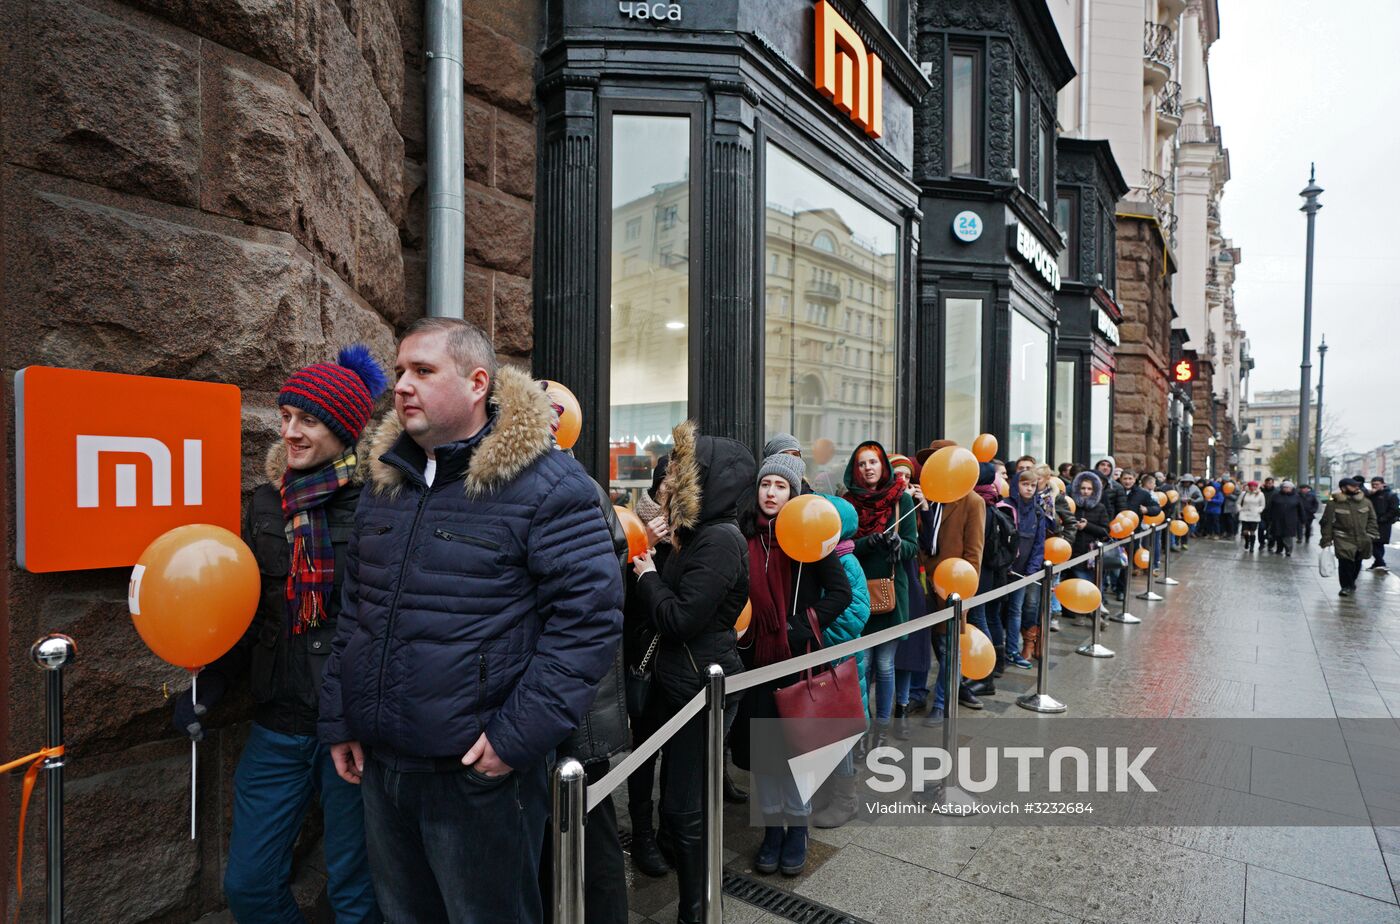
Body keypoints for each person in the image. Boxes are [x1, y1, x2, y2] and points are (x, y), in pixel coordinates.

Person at [318, 319, 623, 924]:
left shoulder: (547, 483)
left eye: (423, 371)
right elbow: (357, 609)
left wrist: (513, 739)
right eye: (401, 370)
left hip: (477, 775)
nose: (402, 385)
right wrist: (341, 715)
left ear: (477, 382)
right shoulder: (387, 480)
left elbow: (588, 621)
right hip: (383, 765)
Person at [173, 348, 385, 922]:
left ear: (344, 429)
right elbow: (250, 607)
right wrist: (209, 686)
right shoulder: (267, 503)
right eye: (285, 416)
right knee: (248, 886)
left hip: (354, 728)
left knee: (355, 893)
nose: (290, 432)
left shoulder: (381, 503)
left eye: (307, 420)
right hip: (277, 724)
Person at [632, 420, 751, 922]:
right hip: (676, 681)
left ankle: (696, 911)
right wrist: (654, 551)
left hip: (700, 688)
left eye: (686, 467)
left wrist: (649, 574)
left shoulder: (721, 540)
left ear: (712, 480)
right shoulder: (694, 532)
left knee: (686, 809)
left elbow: (681, 618)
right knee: (677, 806)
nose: (673, 474)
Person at [735, 454, 851, 875]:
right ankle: (771, 829)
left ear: (794, 492)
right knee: (766, 752)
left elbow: (840, 593)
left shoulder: (809, 535)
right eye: (766, 485)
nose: (771, 493)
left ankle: (796, 827)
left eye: (780, 487)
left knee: (795, 748)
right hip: (756, 661)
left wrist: (799, 625)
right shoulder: (745, 535)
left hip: (797, 660)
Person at [845, 441, 918, 753]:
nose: (868, 468)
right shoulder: (848, 502)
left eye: (873, 462)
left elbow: (915, 547)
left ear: (883, 465)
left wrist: (898, 545)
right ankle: (862, 730)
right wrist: (866, 544)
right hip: (858, 592)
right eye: (862, 464)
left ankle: (882, 730)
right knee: (863, 666)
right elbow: (842, 547)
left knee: (885, 664)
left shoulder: (901, 500)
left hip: (891, 592)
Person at [624, 459, 676, 878]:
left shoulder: (693, 528)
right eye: (668, 485)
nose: (673, 493)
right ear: (657, 488)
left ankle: (669, 830)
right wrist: (643, 547)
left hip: (678, 655)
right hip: (642, 654)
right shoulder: (632, 524)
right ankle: (641, 833)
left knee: (677, 749)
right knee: (643, 750)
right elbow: (617, 594)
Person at [917, 442, 992, 719]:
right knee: (930, 645)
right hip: (925, 584)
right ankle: (921, 694)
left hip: (954, 587)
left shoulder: (972, 501)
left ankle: (942, 703)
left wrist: (966, 596)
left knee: (949, 649)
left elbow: (974, 554)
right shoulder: (926, 497)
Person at [810, 495, 871, 829]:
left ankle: (846, 798)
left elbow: (855, 613)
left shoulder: (846, 560)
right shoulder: (817, 556)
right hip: (824, 660)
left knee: (838, 732)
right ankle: (828, 791)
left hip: (839, 660)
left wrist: (817, 637)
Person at [888, 454, 931, 726]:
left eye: (907, 475)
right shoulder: (881, 503)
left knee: (908, 650)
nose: (902, 480)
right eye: (897, 475)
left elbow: (928, 546)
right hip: (884, 581)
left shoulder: (913, 503)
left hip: (912, 579)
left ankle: (902, 706)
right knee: (879, 657)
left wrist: (923, 507)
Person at [1008, 471, 1052, 662]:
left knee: (1016, 609)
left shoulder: (1037, 512)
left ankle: (1012, 649)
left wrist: (1031, 571)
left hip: (1023, 572)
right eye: (1025, 484)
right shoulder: (1006, 506)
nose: (1028, 488)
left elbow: (1039, 544)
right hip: (1004, 568)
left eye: (1033, 486)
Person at [1321, 479, 1381, 597]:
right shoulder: (1334, 503)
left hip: (1362, 538)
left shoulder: (1365, 502)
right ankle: (1346, 587)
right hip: (1342, 538)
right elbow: (1327, 523)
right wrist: (1326, 539)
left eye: (1356, 486)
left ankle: (1351, 583)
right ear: (1343, 488)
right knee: (1345, 563)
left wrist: (1371, 534)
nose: (1356, 488)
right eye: (1352, 486)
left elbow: (1372, 519)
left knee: (1357, 562)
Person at [1069, 471, 1112, 610]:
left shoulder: (1100, 507)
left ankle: (1096, 610)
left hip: (1092, 556)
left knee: (1091, 585)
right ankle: (1086, 612)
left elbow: (1105, 531)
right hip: (1074, 553)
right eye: (1083, 488)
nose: (1086, 491)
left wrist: (1087, 526)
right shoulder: (1071, 505)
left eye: (1089, 489)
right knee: (1080, 586)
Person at [1267, 481, 1304, 557]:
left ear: (1291, 488)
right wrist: (1269, 517)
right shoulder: (1276, 496)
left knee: (1288, 536)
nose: (1286, 489)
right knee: (1278, 535)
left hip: (1290, 520)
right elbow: (1270, 507)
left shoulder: (1296, 497)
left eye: (1288, 487)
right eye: (1284, 487)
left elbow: (1301, 509)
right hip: (1277, 519)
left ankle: (1288, 550)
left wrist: (1303, 519)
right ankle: (1279, 549)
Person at [1369, 477, 1398, 570]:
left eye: (1377, 484)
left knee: (1377, 543)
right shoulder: (1372, 495)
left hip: (1383, 524)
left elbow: (1394, 510)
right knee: (1374, 543)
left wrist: (1383, 518)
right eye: (1373, 484)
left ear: (1383, 484)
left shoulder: (1391, 495)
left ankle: (1381, 563)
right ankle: (1378, 563)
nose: (1374, 486)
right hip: (1372, 523)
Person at [1238, 481, 1265, 552]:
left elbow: (1262, 505)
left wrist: (1259, 510)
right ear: (1249, 487)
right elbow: (1238, 503)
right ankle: (1247, 542)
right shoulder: (1244, 493)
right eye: (1251, 486)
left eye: (1254, 486)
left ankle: (1252, 547)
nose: (1252, 488)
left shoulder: (1260, 494)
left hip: (1254, 515)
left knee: (1252, 532)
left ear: (1256, 487)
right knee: (1245, 532)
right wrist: (1240, 509)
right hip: (1245, 514)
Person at [1259, 477, 1278, 549]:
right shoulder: (1261, 491)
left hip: (1272, 514)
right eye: (1267, 483)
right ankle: (1261, 543)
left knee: (1271, 530)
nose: (1268, 485)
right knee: (1261, 528)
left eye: (1270, 483)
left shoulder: (1276, 492)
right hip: (1262, 513)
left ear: (1273, 483)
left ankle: (1271, 544)